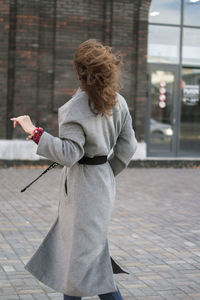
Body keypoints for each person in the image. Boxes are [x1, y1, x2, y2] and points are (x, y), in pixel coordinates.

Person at [10, 39, 137, 300]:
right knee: (86, 257)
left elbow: (70, 154)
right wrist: (106, 174)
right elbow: (127, 148)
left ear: (77, 69)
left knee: (80, 263)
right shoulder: (119, 102)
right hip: (100, 184)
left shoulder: (74, 108)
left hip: (83, 191)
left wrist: (34, 132)